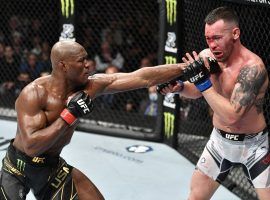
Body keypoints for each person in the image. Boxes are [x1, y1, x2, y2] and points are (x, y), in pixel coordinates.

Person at [0, 40, 185, 200]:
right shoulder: (34, 94)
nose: (89, 64)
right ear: (63, 66)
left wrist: (184, 68)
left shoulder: (90, 86)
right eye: (82, 61)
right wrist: (69, 115)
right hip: (18, 168)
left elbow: (141, 77)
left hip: (51, 166)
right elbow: (32, 147)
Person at [158, 6, 269, 200]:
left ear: (235, 33)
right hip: (219, 143)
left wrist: (202, 83)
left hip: (254, 146)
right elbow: (199, 91)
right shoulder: (206, 57)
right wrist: (181, 88)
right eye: (208, 39)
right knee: (195, 197)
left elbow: (233, 115)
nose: (212, 45)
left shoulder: (253, 68)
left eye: (217, 38)